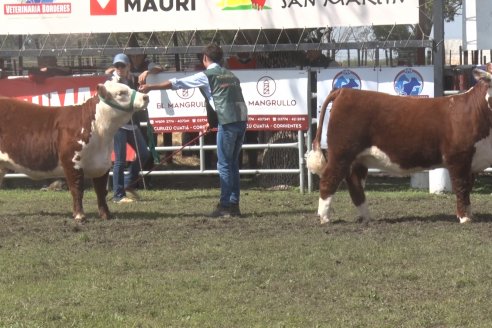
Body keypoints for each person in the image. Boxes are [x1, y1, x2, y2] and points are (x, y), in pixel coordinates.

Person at [139, 43, 248, 218]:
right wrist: (212, 122)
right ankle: (234, 204)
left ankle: (225, 206)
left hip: (227, 124)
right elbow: (224, 100)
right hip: (241, 121)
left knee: (224, 165)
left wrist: (151, 87)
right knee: (232, 164)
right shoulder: (231, 75)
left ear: (205, 58)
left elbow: (177, 83)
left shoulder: (207, 76)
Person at [110, 53, 151, 203]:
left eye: (122, 65)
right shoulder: (112, 82)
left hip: (132, 124)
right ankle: (118, 195)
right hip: (119, 125)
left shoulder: (133, 79)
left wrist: (148, 71)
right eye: (117, 66)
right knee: (120, 161)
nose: (119, 68)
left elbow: (156, 67)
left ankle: (127, 184)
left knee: (144, 154)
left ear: (128, 66)